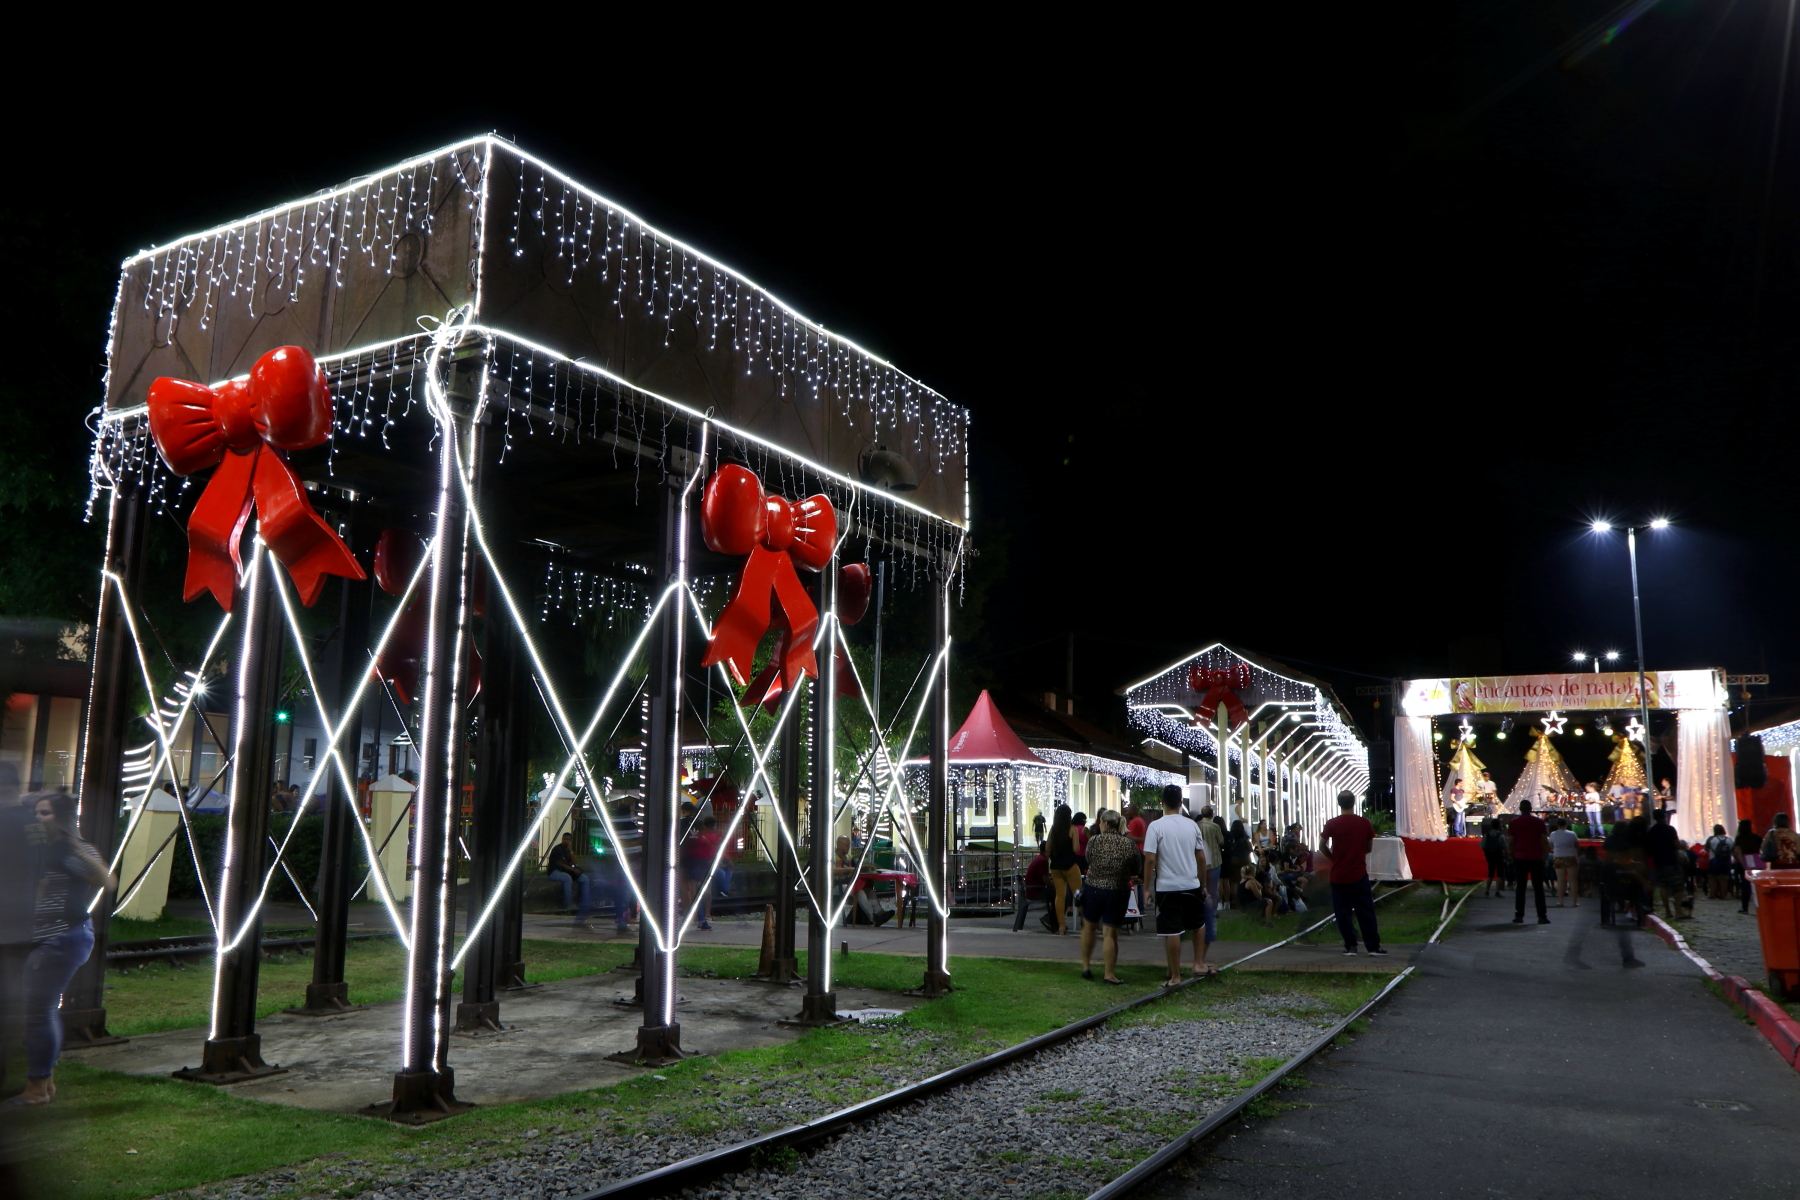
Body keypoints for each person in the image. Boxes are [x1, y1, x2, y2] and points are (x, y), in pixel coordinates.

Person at [17, 793, 114, 1105]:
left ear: (61, 818)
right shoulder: (46, 846)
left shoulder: (66, 848)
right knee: (41, 1010)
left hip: (59, 937)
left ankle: (36, 1089)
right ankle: (46, 1082)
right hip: (57, 936)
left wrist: (73, 845)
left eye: (45, 813)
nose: (38, 818)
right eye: (36, 813)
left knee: (39, 1011)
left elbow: (105, 881)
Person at [1145, 785, 1213, 984]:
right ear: (1181, 803)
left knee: (1172, 930)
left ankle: (1175, 975)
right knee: (1198, 924)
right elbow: (1201, 858)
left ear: (1162, 802)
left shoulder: (1155, 827)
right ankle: (1198, 963)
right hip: (1191, 883)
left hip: (1167, 886)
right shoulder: (1192, 825)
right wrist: (1203, 884)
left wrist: (1146, 888)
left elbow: (1150, 860)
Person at [1320, 791, 1385, 956]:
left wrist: (1333, 858)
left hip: (1338, 875)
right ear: (1354, 802)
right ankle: (1373, 947)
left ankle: (1350, 946)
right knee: (1366, 911)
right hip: (1358, 873)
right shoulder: (1364, 823)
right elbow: (1369, 847)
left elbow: (1322, 845)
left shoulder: (1332, 824)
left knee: (1343, 912)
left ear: (1339, 803)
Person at [1078, 810, 1138, 984]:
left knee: (1088, 928)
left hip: (1093, 889)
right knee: (1110, 934)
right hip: (1117, 891)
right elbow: (1135, 868)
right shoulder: (1128, 844)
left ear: (1104, 824)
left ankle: (1086, 967)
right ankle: (1109, 974)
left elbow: (1088, 860)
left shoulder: (1094, 841)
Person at [1507, 799, 1551, 925]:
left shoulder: (1513, 822)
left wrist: (1510, 855)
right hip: (1536, 857)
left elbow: (1511, 841)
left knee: (1520, 888)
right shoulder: (1539, 822)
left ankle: (1519, 915)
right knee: (1538, 888)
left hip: (1520, 857)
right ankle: (1542, 916)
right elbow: (1544, 840)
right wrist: (1546, 855)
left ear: (1520, 809)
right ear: (1531, 809)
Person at [1045, 805, 1082, 935]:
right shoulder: (1072, 829)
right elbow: (1076, 849)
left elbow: (1047, 848)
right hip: (1070, 865)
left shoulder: (1053, 830)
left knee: (1059, 896)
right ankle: (1087, 923)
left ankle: (1061, 926)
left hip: (1055, 866)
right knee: (1078, 894)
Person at [683, 817, 723, 931]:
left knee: (693, 890)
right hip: (702, 863)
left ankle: (698, 916)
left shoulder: (690, 837)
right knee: (700, 890)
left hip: (691, 862)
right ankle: (702, 916)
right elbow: (711, 850)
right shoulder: (705, 838)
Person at [1646, 808, 1685, 920]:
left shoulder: (1651, 831)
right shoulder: (1670, 829)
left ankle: (1667, 911)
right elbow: (1677, 845)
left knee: (1663, 886)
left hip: (1658, 861)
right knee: (1677, 887)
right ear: (1664, 817)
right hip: (1671, 860)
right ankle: (1678, 911)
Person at [547, 832, 590, 915]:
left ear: (571, 841)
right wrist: (573, 870)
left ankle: (585, 903)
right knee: (567, 878)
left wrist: (571, 851)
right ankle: (568, 905)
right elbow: (560, 863)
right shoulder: (557, 849)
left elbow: (574, 862)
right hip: (554, 872)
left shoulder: (568, 850)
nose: (565, 841)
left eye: (568, 840)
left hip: (566, 871)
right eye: (564, 839)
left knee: (585, 879)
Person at [1015, 848, 1050, 932]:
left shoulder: (1039, 859)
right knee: (1059, 895)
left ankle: (1051, 918)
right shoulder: (1043, 861)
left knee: (1055, 894)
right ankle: (1050, 918)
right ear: (1046, 850)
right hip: (1035, 891)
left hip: (1031, 890)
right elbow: (1046, 880)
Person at [1549, 817, 1581, 908]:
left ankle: (1561, 901)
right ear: (1565, 824)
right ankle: (1574, 902)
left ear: (1557, 825)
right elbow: (1577, 846)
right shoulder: (1572, 834)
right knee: (1573, 881)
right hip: (1571, 857)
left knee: (1561, 880)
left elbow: (1551, 846)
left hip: (1559, 857)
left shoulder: (1553, 834)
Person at [1196, 805, 1225, 903]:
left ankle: (1202, 909)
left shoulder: (1196, 825)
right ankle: (1212, 912)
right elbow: (1221, 842)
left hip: (1198, 862)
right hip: (1214, 861)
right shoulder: (1215, 826)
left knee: (1201, 888)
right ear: (1211, 815)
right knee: (1213, 889)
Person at [1704, 824, 1735, 900]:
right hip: (1726, 861)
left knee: (1713, 878)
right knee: (1723, 879)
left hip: (1714, 860)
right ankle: (1723, 895)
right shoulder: (1729, 840)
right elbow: (1732, 850)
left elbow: (1706, 849)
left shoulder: (1712, 839)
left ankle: (1712, 895)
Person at [1480, 816, 1508, 897]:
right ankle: (1497, 891)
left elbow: (1482, 846)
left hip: (1490, 856)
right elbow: (1505, 848)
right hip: (1499, 856)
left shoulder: (1486, 835)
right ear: (1499, 826)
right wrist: (1507, 857)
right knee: (1499, 874)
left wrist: (1487, 853)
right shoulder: (1501, 836)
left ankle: (1487, 891)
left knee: (1490, 874)